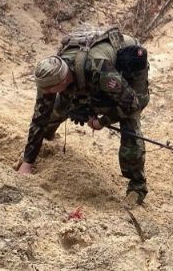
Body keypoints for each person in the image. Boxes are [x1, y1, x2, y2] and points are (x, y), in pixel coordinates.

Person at [17, 27, 150, 205]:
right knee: (58, 107)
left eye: (50, 90)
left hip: (129, 64)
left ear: (64, 80)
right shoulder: (50, 75)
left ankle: (137, 187)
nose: (46, 93)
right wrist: (27, 161)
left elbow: (131, 103)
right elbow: (40, 115)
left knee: (129, 122)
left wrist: (102, 121)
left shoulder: (99, 67)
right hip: (90, 75)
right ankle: (47, 137)